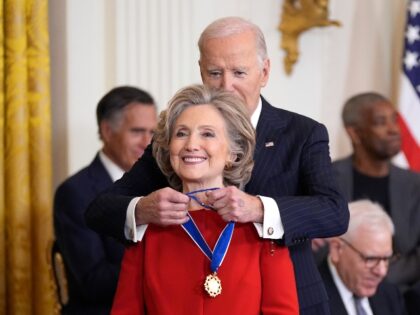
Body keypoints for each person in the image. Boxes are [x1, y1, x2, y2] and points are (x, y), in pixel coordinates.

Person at [86, 17, 349, 314]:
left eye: (239, 72)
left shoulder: (303, 133)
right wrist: (143, 209)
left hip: (295, 302)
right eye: (214, 73)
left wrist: (259, 209)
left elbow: (335, 212)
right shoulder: (176, 139)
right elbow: (99, 209)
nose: (227, 85)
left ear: (264, 72)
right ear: (201, 71)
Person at [111, 84, 299, 314]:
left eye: (207, 134)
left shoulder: (264, 228)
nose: (191, 145)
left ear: (233, 152)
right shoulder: (145, 229)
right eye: (181, 133)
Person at [54, 86, 157, 314]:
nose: (147, 142)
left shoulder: (162, 186)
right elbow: (94, 282)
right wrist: (161, 264)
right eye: (137, 131)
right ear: (108, 131)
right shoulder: (75, 192)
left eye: (153, 132)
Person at [313, 92, 420, 291]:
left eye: (394, 120)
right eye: (381, 122)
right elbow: (316, 248)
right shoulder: (325, 180)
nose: (394, 130)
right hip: (334, 293)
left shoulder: (415, 184)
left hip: (404, 297)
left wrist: (377, 275)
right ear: (355, 133)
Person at [318, 200, 406, 315]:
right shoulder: (307, 300)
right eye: (370, 259)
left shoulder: (390, 295)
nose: (381, 271)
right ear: (337, 249)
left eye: (386, 259)